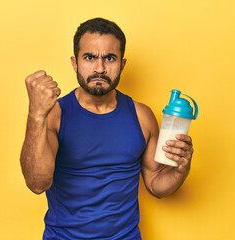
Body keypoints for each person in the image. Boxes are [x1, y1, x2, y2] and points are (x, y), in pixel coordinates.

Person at [20, 17, 194, 240]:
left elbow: (155, 183)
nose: (100, 68)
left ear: (122, 64)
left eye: (109, 58)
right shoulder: (54, 115)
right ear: (75, 63)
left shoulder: (142, 116)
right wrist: (35, 114)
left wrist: (181, 170)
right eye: (90, 57)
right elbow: (37, 183)